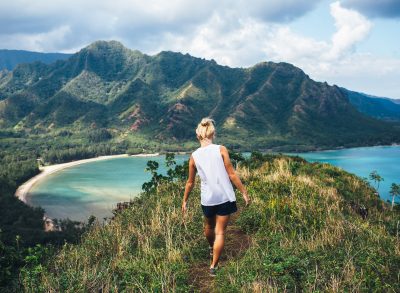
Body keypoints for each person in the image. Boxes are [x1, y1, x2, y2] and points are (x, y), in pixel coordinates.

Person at [181, 117, 250, 277]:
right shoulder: (221, 149)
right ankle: (213, 266)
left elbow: (190, 182)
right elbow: (232, 174)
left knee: (209, 228)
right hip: (224, 196)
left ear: (198, 136)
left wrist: (184, 201)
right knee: (220, 232)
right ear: (213, 134)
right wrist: (244, 192)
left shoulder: (194, 156)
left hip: (208, 199)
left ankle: (212, 248)